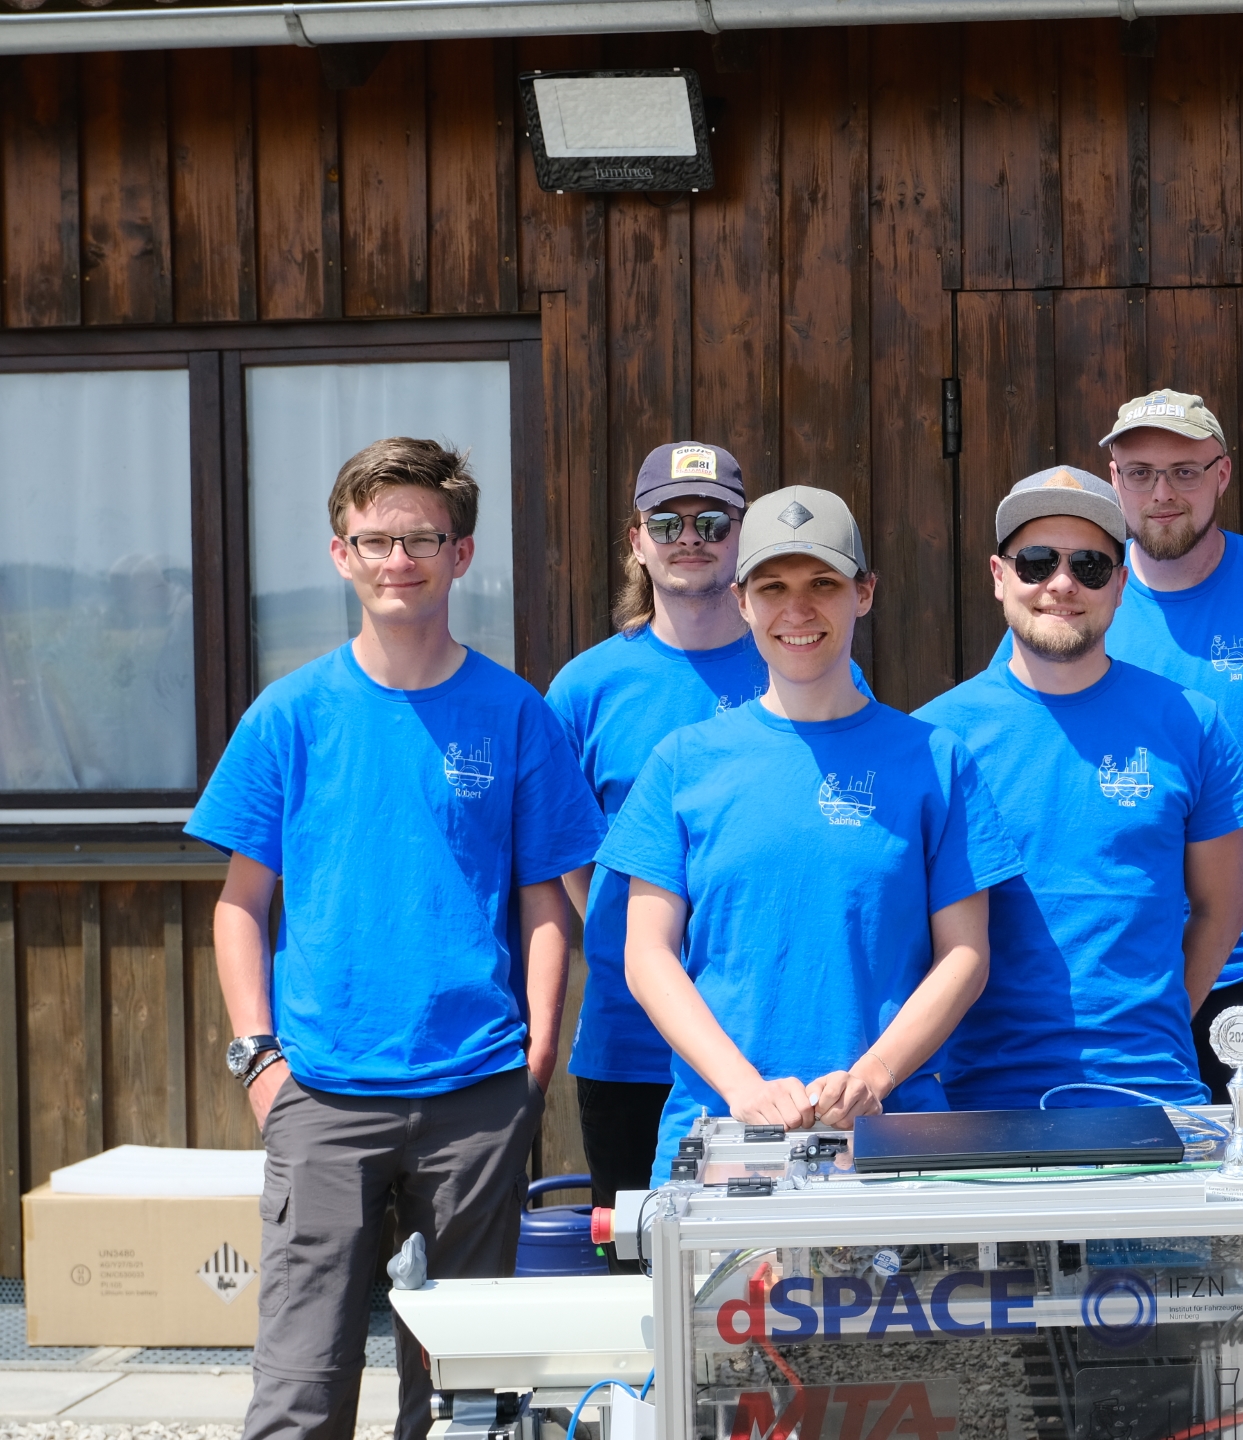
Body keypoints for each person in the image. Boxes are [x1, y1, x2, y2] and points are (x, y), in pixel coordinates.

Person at [189, 439, 605, 1440]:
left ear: (460, 556)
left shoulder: (514, 714)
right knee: (300, 1385)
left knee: (466, 1388)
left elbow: (548, 902)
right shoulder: (289, 717)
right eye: (375, 540)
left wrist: (535, 1054)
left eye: (422, 538)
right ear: (342, 555)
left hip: (475, 1090)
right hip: (322, 1095)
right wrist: (258, 1061)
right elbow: (240, 904)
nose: (397, 560)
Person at [599, 486, 1022, 1176]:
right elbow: (648, 957)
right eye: (773, 587)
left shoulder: (934, 759)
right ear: (743, 603)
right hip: (721, 1139)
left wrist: (875, 1075)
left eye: (823, 583)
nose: (798, 609)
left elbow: (966, 955)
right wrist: (742, 1089)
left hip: (892, 1139)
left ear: (864, 592)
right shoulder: (683, 761)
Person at [997, 389, 1243, 1102]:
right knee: (1129, 1209)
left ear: (1223, 475)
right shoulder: (1065, 599)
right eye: (1141, 472)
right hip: (1112, 996)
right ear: (1113, 480)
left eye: (1185, 470)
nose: (1162, 493)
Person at [545, 443, 866, 1215]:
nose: (690, 535)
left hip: (769, 1046)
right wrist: (639, 943)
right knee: (648, 1285)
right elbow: (564, 846)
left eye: (713, 519)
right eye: (668, 519)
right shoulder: (585, 686)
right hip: (630, 1038)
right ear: (637, 539)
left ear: (741, 534)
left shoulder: (809, 663)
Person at [919, 466, 1243, 1111]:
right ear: (999, 577)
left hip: (1153, 1094)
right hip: (980, 1101)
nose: (1062, 584)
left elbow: (1221, 910)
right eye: (1037, 562)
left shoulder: (1189, 723)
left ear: (1121, 585)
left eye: (1090, 566)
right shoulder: (933, 738)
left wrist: (1151, 1028)